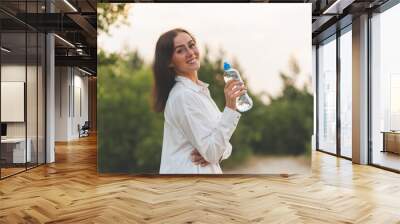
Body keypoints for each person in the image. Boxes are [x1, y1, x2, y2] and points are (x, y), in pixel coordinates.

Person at [152, 28, 247, 174]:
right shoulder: (183, 96)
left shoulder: (199, 92)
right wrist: (230, 107)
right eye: (180, 50)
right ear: (169, 62)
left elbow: (221, 147)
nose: (190, 53)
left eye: (191, 45)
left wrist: (214, 153)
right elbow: (213, 150)